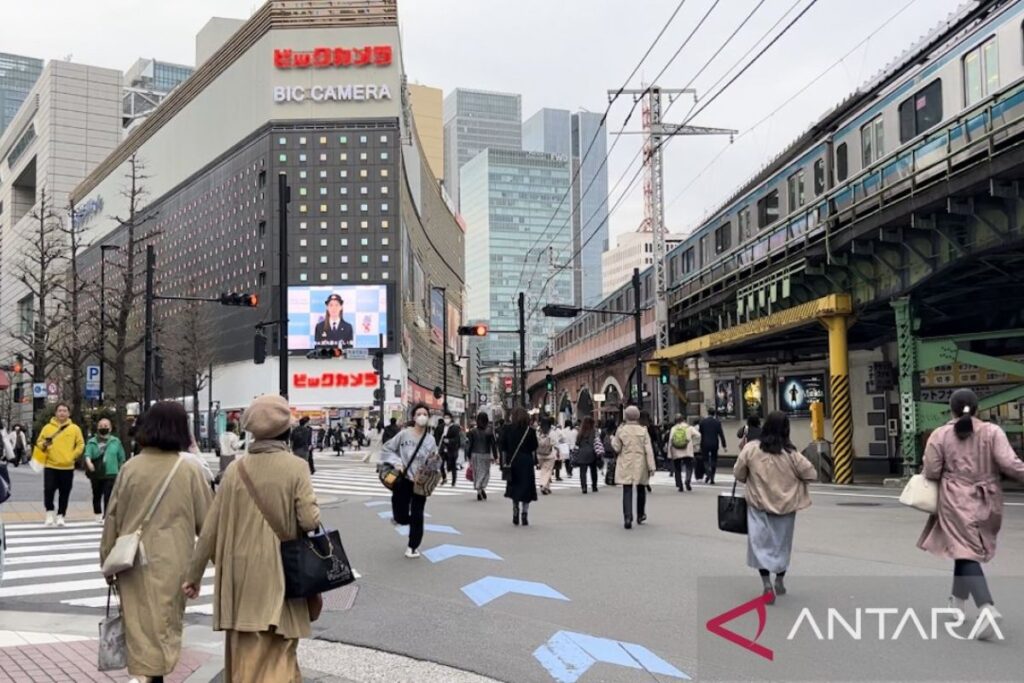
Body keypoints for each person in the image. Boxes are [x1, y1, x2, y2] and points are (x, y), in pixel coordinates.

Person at [185, 394, 319, 681]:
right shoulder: (296, 467)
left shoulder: (235, 470)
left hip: (239, 574)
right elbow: (309, 521)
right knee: (281, 648)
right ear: (286, 431)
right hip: (283, 571)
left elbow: (210, 527)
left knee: (244, 652)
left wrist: (193, 575)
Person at [100, 402, 213, 682]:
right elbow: (209, 525)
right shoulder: (190, 471)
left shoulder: (130, 468)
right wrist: (206, 566)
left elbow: (112, 519)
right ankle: (150, 677)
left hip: (130, 561)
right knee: (164, 627)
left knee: (139, 627)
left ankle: (142, 677)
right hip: (172, 563)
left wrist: (107, 562)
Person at [917, 389, 1024, 638]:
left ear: (951, 409)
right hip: (989, 498)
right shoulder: (992, 431)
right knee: (963, 549)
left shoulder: (941, 434)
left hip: (956, 498)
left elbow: (931, 471)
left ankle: (987, 608)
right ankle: (957, 601)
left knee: (965, 552)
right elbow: (1009, 464)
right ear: (977, 408)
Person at [732, 411, 817, 604]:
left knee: (760, 546)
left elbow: (738, 473)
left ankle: (766, 585)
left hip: (758, 506)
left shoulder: (751, 449)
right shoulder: (791, 454)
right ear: (786, 429)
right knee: (781, 546)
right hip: (785, 508)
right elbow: (811, 474)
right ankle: (779, 579)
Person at [380, 403, 440, 558]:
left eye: (425, 414)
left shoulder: (430, 440)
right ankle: (401, 519)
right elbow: (387, 448)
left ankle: (413, 546)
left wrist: (432, 466)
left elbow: (434, 461)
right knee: (400, 515)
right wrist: (397, 462)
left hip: (420, 482)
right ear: (413, 417)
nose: (422, 416)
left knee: (418, 515)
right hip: (403, 480)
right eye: (419, 414)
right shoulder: (404, 434)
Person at [32, 403, 85, 528]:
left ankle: (61, 515)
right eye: (60, 411)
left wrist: (73, 455)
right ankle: (49, 513)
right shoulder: (47, 428)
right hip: (51, 465)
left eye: (65, 411)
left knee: (65, 492)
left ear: (69, 413)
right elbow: (39, 442)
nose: (62, 413)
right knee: (49, 490)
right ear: (55, 413)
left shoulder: (75, 429)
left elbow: (80, 444)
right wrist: (44, 444)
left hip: (67, 466)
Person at [613, 406, 656, 529]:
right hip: (640, 461)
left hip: (626, 461)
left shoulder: (621, 430)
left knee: (627, 489)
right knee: (641, 487)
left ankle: (627, 517)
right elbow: (648, 450)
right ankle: (640, 514)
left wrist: (613, 440)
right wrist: (651, 466)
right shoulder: (643, 430)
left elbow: (616, 447)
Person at [501, 408, 539, 526]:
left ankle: (515, 509)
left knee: (515, 487)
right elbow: (534, 448)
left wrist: (503, 463)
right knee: (526, 488)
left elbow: (503, 447)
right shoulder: (530, 431)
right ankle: (525, 513)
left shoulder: (507, 429)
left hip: (513, 462)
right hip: (526, 462)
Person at [84, 418, 126, 523]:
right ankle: (97, 513)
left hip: (111, 472)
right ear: (98, 428)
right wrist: (89, 463)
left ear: (110, 428)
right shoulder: (92, 442)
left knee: (109, 495)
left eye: (106, 426)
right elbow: (87, 454)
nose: (104, 428)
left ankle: (106, 516)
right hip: (96, 473)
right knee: (97, 494)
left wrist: (121, 470)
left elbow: (121, 457)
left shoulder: (116, 442)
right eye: (101, 426)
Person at [466, 412, 499, 500]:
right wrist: (496, 457)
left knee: (476, 472)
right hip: (486, 454)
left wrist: (468, 455)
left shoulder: (472, 431)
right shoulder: (489, 431)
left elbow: (470, 444)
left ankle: (478, 489)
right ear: (487, 420)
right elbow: (493, 445)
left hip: (475, 454)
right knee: (485, 472)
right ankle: (482, 487)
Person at [667, 414, 701, 492]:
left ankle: (680, 485)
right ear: (683, 420)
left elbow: (670, 441)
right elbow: (698, 435)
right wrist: (692, 442)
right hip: (687, 451)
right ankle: (687, 480)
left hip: (676, 451)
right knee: (689, 466)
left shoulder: (673, 429)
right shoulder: (689, 428)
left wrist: (669, 454)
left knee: (677, 468)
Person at [574, 416, 603, 494]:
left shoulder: (580, 432)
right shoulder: (594, 431)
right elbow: (597, 441)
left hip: (582, 452)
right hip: (592, 452)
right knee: (593, 470)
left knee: (583, 471)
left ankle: (584, 487)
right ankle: (594, 486)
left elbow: (577, 443)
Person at [698, 408, 727, 485]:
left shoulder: (703, 422)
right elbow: (721, 434)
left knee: (705, 459)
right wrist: (724, 446)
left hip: (705, 443)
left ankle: (708, 472)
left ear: (708, 413)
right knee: (714, 459)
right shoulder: (717, 422)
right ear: (714, 414)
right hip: (714, 443)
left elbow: (700, 432)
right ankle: (712, 478)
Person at [434, 411, 462, 487]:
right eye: (445, 418)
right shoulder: (440, 427)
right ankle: (444, 478)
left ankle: (453, 481)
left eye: (448, 418)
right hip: (442, 449)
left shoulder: (455, 428)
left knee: (452, 466)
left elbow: (457, 439)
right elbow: (436, 436)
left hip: (452, 449)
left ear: (451, 418)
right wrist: (438, 444)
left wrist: (449, 441)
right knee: (441, 464)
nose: (446, 419)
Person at [536, 418, 557, 495]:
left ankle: (547, 488)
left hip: (540, 454)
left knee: (543, 470)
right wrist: (558, 451)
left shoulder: (538, 432)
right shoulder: (552, 432)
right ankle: (543, 484)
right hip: (549, 454)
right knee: (547, 471)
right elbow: (555, 443)